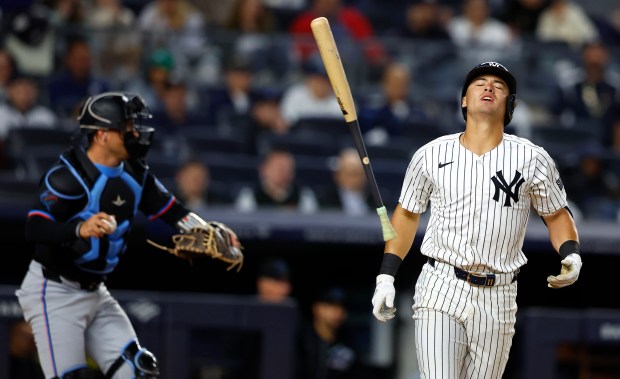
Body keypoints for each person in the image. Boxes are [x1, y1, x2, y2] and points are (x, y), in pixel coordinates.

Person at [371, 62, 583, 378]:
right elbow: (407, 214)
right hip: (441, 285)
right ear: (464, 100)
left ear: (509, 105)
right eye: (479, 83)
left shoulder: (532, 157)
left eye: (499, 86)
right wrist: (386, 276)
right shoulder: (430, 154)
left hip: (499, 295)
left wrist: (571, 253)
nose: (488, 87)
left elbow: (556, 215)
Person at [15, 91, 242, 378]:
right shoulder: (68, 175)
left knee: (138, 370)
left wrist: (207, 230)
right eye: (126, 127)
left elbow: (172, 211)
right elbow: (34, 227)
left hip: (96, 290)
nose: (135, 132)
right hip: (54, 290)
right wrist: (79, 227)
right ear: (102, 135)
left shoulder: (135, 173)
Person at [296, 286, 361, 379]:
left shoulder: (348, 342)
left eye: (341, 306)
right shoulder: (301, 340)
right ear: (316, 308)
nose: (337, 311)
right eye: (330, 305)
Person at [318, 148, 373, 216]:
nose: (356, 180)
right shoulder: (325, 200)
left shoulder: (376, 199)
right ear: (338, 175)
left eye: (360, 174)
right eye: (351, 174)